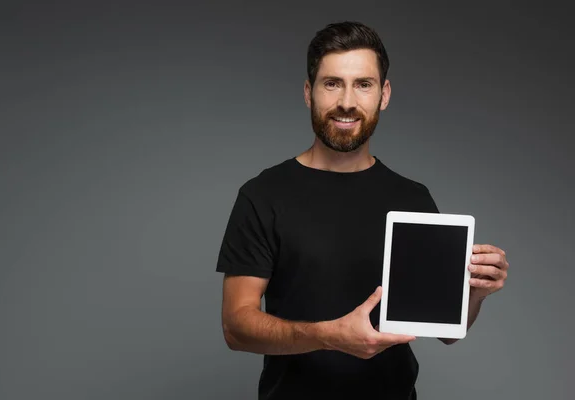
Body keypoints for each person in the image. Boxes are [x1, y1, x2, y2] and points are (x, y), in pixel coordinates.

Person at [215, 21, 509, 400]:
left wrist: (476, 294)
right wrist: (327, 337)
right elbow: (235, 327)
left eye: (363, 84)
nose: (347, 102)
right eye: (332, 83)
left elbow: (447, 332)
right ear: (309, 93)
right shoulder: (262, 195)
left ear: (384, 94)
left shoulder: (413, 199)